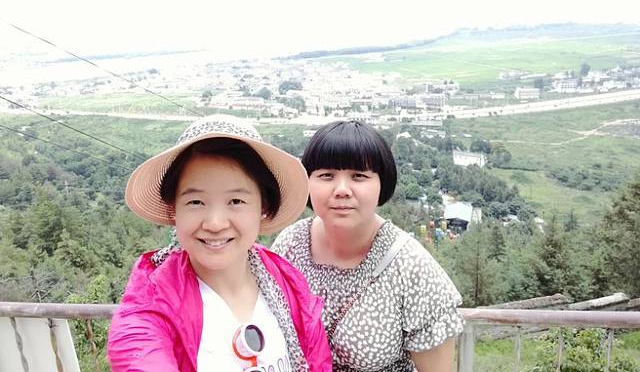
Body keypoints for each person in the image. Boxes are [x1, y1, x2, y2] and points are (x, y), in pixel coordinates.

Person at [108, 115, 332, 372]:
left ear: (263, 206)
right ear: (173, 209)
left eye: (236, 201)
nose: (215, 223)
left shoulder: (287, 283)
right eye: (196, 202)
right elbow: (139, 355)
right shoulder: (153, 302)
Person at [272, 120, 464, 372]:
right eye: (326, 175)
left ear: (382, 183)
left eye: (359, 176)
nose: (341, 190)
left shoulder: (411, 268)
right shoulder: (289, 246)